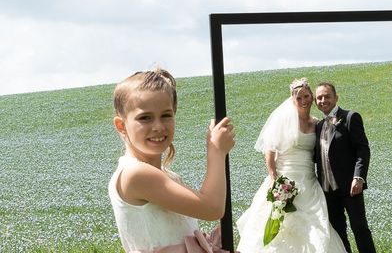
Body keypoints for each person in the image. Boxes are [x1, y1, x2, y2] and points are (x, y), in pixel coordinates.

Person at [109, 68, 235, 252]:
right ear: (121, 125)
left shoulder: (165, 175)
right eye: (145, 118)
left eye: (166, 115)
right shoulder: (135, 174)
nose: (158, 126)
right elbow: (212, 208)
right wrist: (216, 152)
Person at [236, 78, 348, 252]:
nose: (303, 101)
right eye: (299, 98)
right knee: (280, 223)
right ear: (293, 100)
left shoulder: (317, 123)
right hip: (285, 178)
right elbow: (270, 150)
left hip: (309, 180)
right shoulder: (285, 120)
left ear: (311, 97)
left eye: (306, 96)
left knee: (316, 224)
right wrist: (274, 177)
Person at [314, 82, 376, 253]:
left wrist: (359, 177)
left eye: (327, 96)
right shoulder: (318, 126)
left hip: (350, 187)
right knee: (338, 233)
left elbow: (362, 149)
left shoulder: (350, 117)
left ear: (336, 97)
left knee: (360, 228)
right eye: (319, 97)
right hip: (327, 189)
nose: (323, 100)